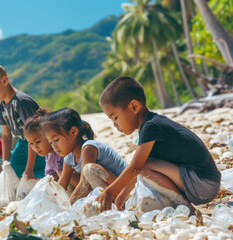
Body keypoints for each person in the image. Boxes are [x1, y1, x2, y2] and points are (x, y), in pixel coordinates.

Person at [96, 76, 221, 212]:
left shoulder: (151, 126)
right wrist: (121, 198)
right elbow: (137, 171)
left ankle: (186, 208)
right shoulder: (150, 126)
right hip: (202, 185)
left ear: (134, 106)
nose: (114, 125)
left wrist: (109, 192)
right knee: (145, 165)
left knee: (143, 164)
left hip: (204, 184)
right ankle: (182, 206)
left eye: (115, 117)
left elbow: (136, 168)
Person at [42, 108, 128, 204]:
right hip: (105, 187)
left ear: (73, 132)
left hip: (125, 189)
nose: (54, 146)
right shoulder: (68, 159)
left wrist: (69, 206)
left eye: (56, 140)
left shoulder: (88, 148)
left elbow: (84, 183)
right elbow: (61, 186)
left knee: (89, 170)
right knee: (68, 183)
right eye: (50, 142)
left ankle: (111, 202)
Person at [0, 63, 45, 179]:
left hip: (39, 142)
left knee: (36, 171)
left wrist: (29, 168)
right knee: (11, 171)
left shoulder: (21, 102)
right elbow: (5, 134)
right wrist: (5, 163)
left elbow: (35, 134)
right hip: (23, 142)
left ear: (4, 80)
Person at [23, 108, 63, 180]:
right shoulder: (48, 154)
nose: (35, 147)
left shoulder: (60, 153)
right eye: (31, 143)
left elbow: (62, 178)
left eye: (38, 141)